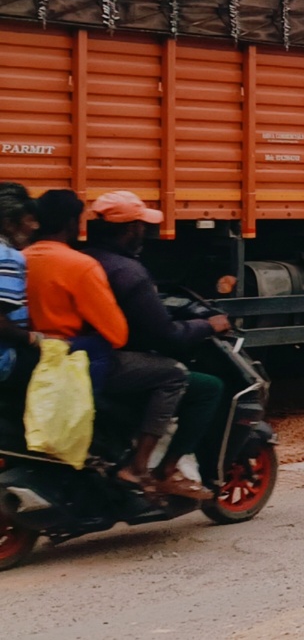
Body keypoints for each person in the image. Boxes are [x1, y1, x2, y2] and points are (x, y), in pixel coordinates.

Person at [24, 190, 181, 496]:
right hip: (72, 359)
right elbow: (117, 334)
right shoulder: (79, 266)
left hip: (33, 355)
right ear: (72, 222)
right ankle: (138, 467)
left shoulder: (22, 258)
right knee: (173, 374)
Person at [85, 191, 229, 500]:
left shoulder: (84, 257)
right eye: (141, 225)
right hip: (112, 359)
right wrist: (207, 325)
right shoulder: (128, 271)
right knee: (205, 387)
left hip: (80, 354)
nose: (145, 232)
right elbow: (166, 336)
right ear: (129, 229)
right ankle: (157, 470)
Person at [0, 183, 41, 397]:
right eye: (29, 219)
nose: (35, 227)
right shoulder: (7, 256)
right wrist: (34, 339)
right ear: (8, 223)